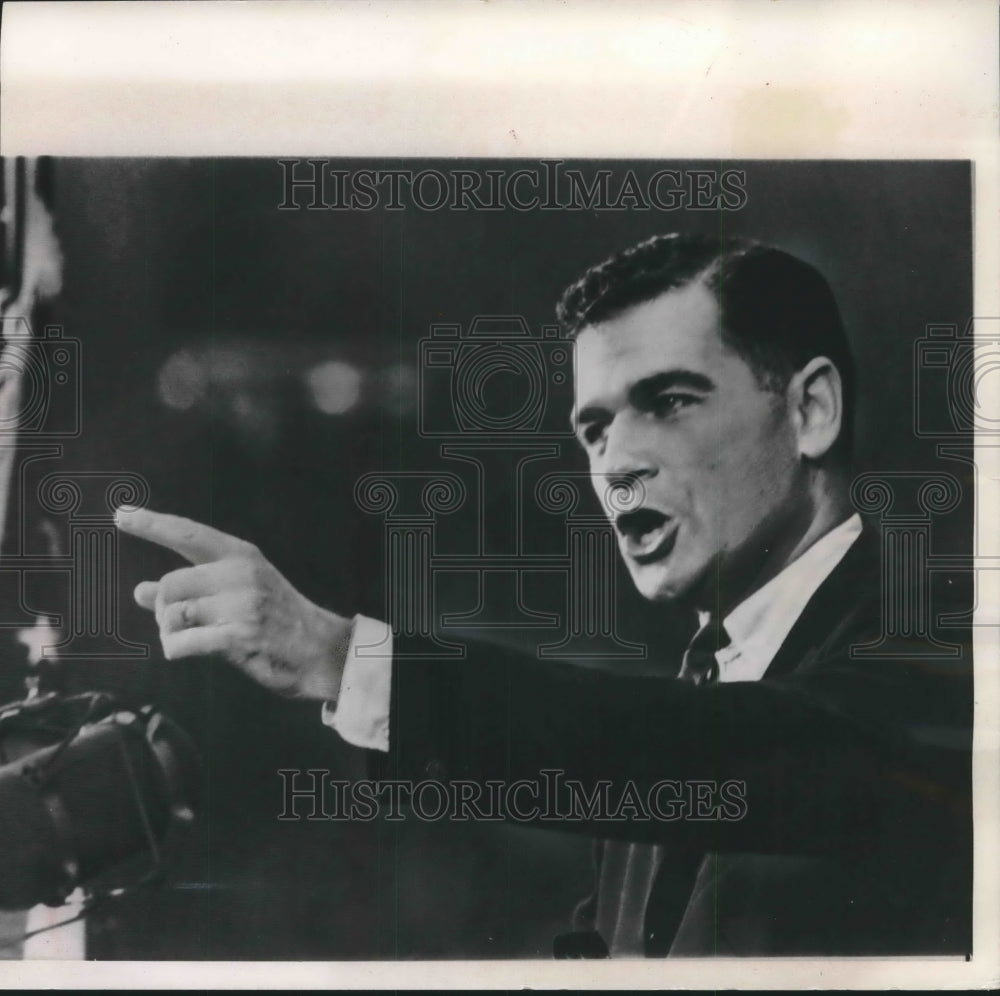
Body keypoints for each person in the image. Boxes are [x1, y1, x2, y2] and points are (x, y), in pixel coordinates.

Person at [116, 233, 972, 957]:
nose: (616, 464)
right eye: (594, 428)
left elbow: (713, 754)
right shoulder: (690, 694)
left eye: (669, 402)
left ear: (812, 409)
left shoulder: (940, 653)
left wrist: (343, 658)